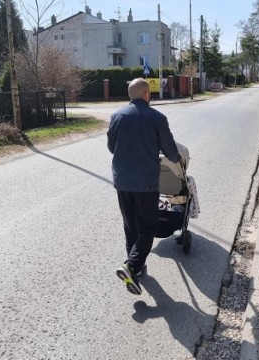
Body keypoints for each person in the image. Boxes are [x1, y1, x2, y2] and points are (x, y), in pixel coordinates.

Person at [107, 78, 181, 295]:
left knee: (130, 225)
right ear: (147, 94)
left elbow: (112, 147)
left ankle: (135, 269)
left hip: (122, 181)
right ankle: (131, 266)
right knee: (148, 227)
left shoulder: (117, 116)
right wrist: (176, 158)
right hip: (146, 183)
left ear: (131, 95)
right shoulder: (157, 117)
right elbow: (169, 150)